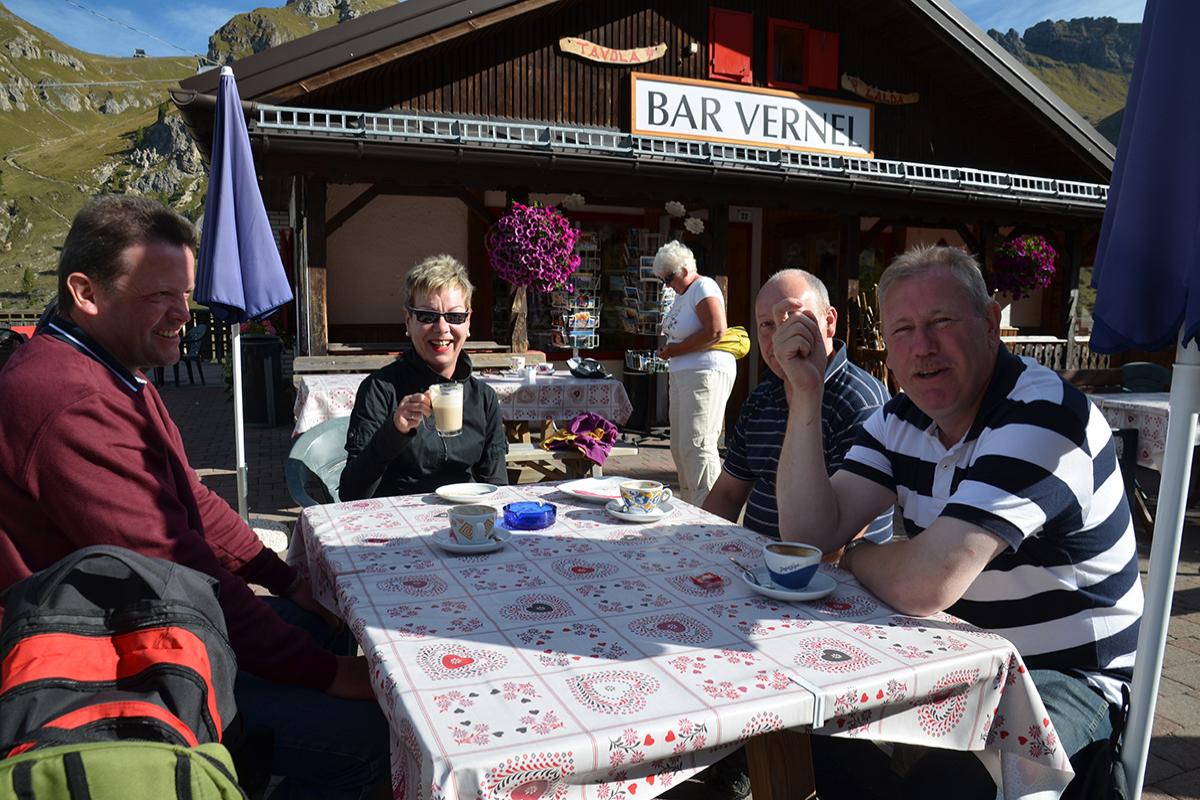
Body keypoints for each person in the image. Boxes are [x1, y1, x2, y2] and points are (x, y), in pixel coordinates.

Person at [0, 195, 388, 799]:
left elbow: (193, 500)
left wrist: (286, 581)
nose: (183, 313)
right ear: (86, 292)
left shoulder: (112, 369)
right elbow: (175, 568)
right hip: (99, 663)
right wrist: (328, 676)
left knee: (321, 627)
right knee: (372, 735)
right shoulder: (70, 400)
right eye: (159, 295)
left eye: (186, 294)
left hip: (137, 622)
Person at [772, 245, 1143, 797]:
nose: (923, 347)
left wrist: (853, 555)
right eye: (903, 330)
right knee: (818, 727)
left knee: (949, 784)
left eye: (941, 322)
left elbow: (926, 583)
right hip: (960, 660)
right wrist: (805, 395)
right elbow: (805, 535)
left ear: (991, 324)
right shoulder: (898, 420)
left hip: (1067, 678)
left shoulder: (1044, 415)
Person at [703, 269, 892, 545]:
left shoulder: (861, 404)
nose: (780, 337)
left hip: (831, 578)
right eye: (767, 325)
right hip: (754, 565)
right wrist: (702, 548)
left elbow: (840, 542)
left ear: (829, 322)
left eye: (794, 318)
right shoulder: (762, 397)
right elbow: (728, 494)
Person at [339, 254, 507, 500]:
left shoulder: (483, 398)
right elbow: (351, 493)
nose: (442, 328)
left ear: (468, 322)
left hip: (465, 526)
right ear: (408, 321)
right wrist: (395, 432)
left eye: (455, 316)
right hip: (400, 528)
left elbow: (497, 487)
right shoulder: (381, 390)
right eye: (427, 316)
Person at [654, 240, 736, 506]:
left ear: (685, 268)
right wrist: (669, 350)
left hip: (704, 373)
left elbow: (716, 330)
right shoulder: (681, 294)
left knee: (698, 445)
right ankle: (692, 506)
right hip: (683, 373)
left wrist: (675, 350)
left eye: (669, 277)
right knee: (680, 447)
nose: (667, 284)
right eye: (663, 279)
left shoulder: (704, 285)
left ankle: (710, 511)